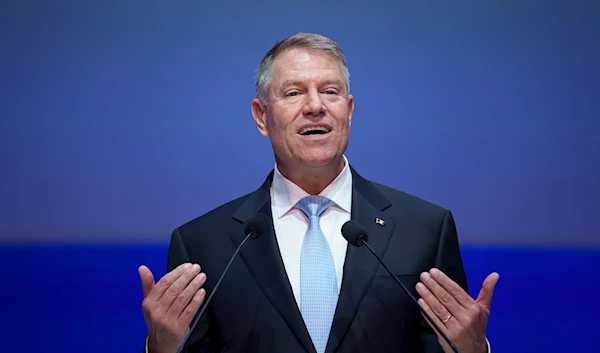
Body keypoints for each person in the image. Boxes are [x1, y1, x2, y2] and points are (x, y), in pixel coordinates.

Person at [138, 33, 499, 353]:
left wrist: (474, 352)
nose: (315, 106)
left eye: (330, 91)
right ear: (261, 116)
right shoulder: (204, 244)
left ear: (349, 110)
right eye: (294, 93)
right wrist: (161, 351)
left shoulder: (424, 229)